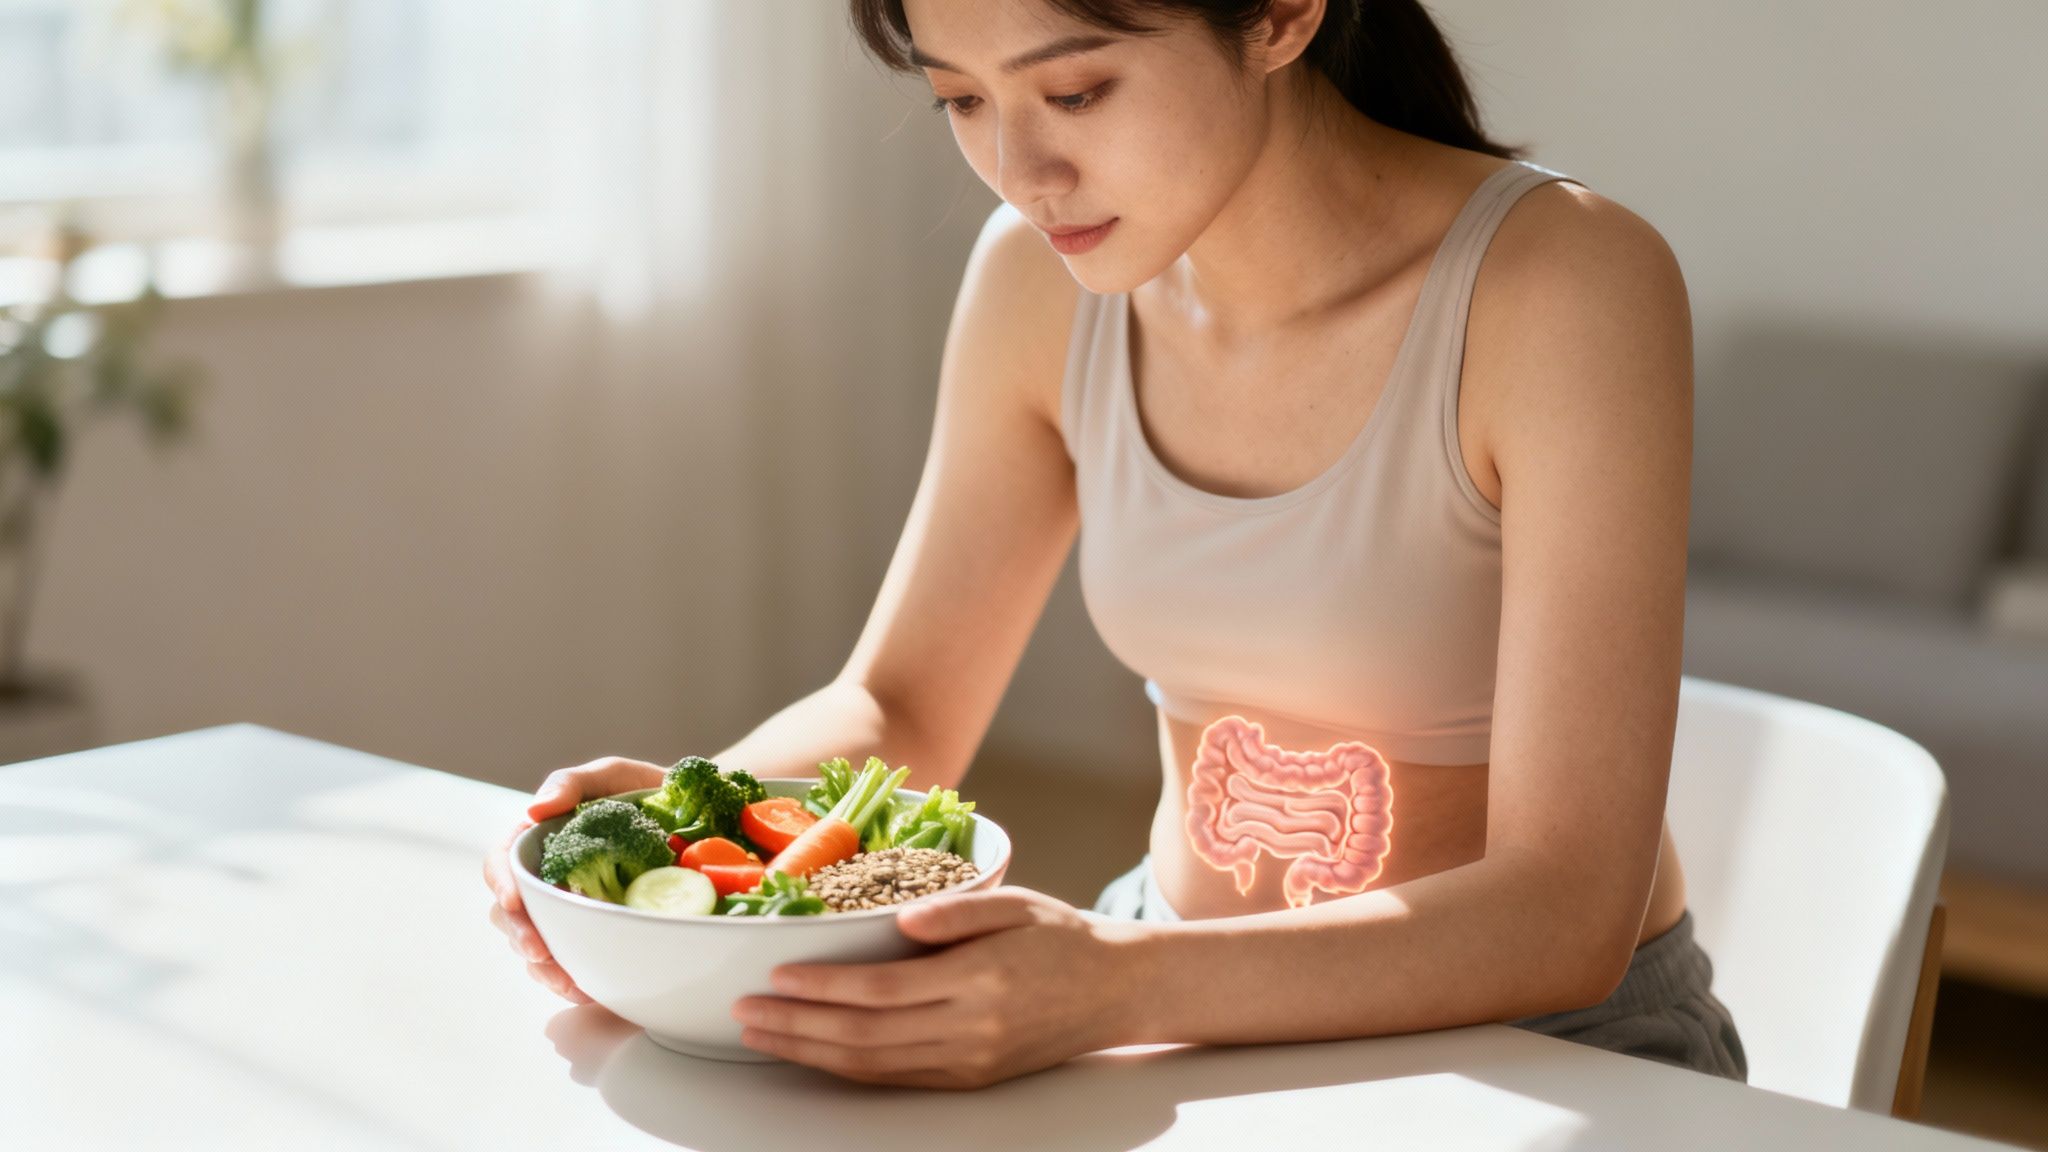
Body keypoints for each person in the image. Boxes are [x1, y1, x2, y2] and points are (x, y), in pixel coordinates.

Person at [483, 0, 1747, 1090]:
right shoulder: (1036, 283)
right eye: (960, 101)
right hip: (1172, 995)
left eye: (1076, 92)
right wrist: (680, 824)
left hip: (1544, 1046)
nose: (1021, 171)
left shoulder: (1564, 284)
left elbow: (1564, 908)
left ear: (1280, 14)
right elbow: (901, 702)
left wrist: (1118, 984)